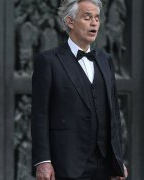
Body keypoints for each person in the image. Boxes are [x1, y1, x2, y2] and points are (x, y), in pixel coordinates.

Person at [31, 0, 128, 179]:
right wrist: (43, 161)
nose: (94, 23)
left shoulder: (105, 60)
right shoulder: (49, 61)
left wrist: (118, 160)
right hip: (66, 163)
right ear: (69, 21)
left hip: (104, 164)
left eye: (97, 18)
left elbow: (113, 113)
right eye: (87, 17)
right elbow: (39, 115)